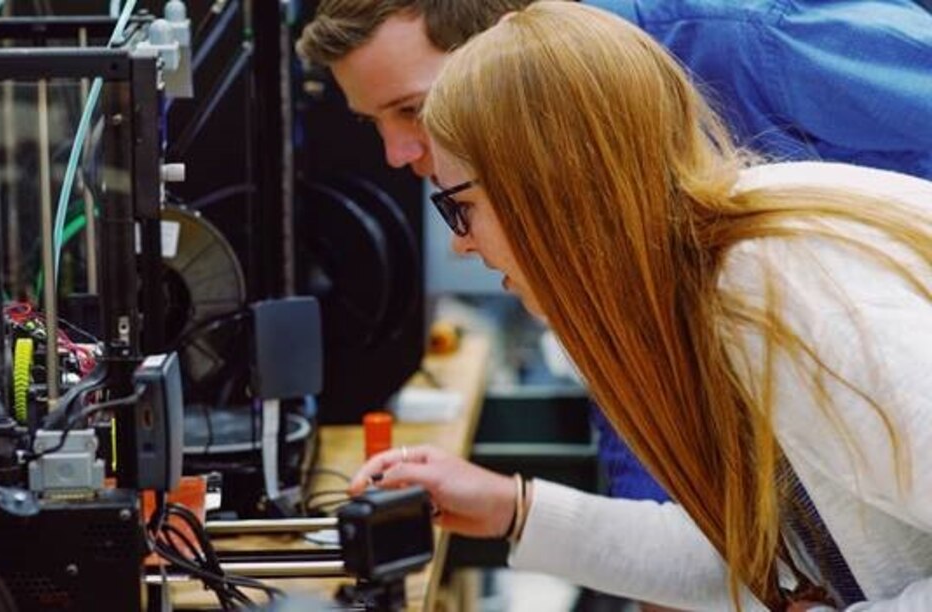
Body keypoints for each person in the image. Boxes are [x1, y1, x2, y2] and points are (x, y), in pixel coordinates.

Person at [348, 2, 932, 609]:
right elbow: (757, 557)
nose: (460, 243)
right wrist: (514, 510)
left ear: (547, 186)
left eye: (459, 207)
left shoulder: (779, 289)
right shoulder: (704, 285)